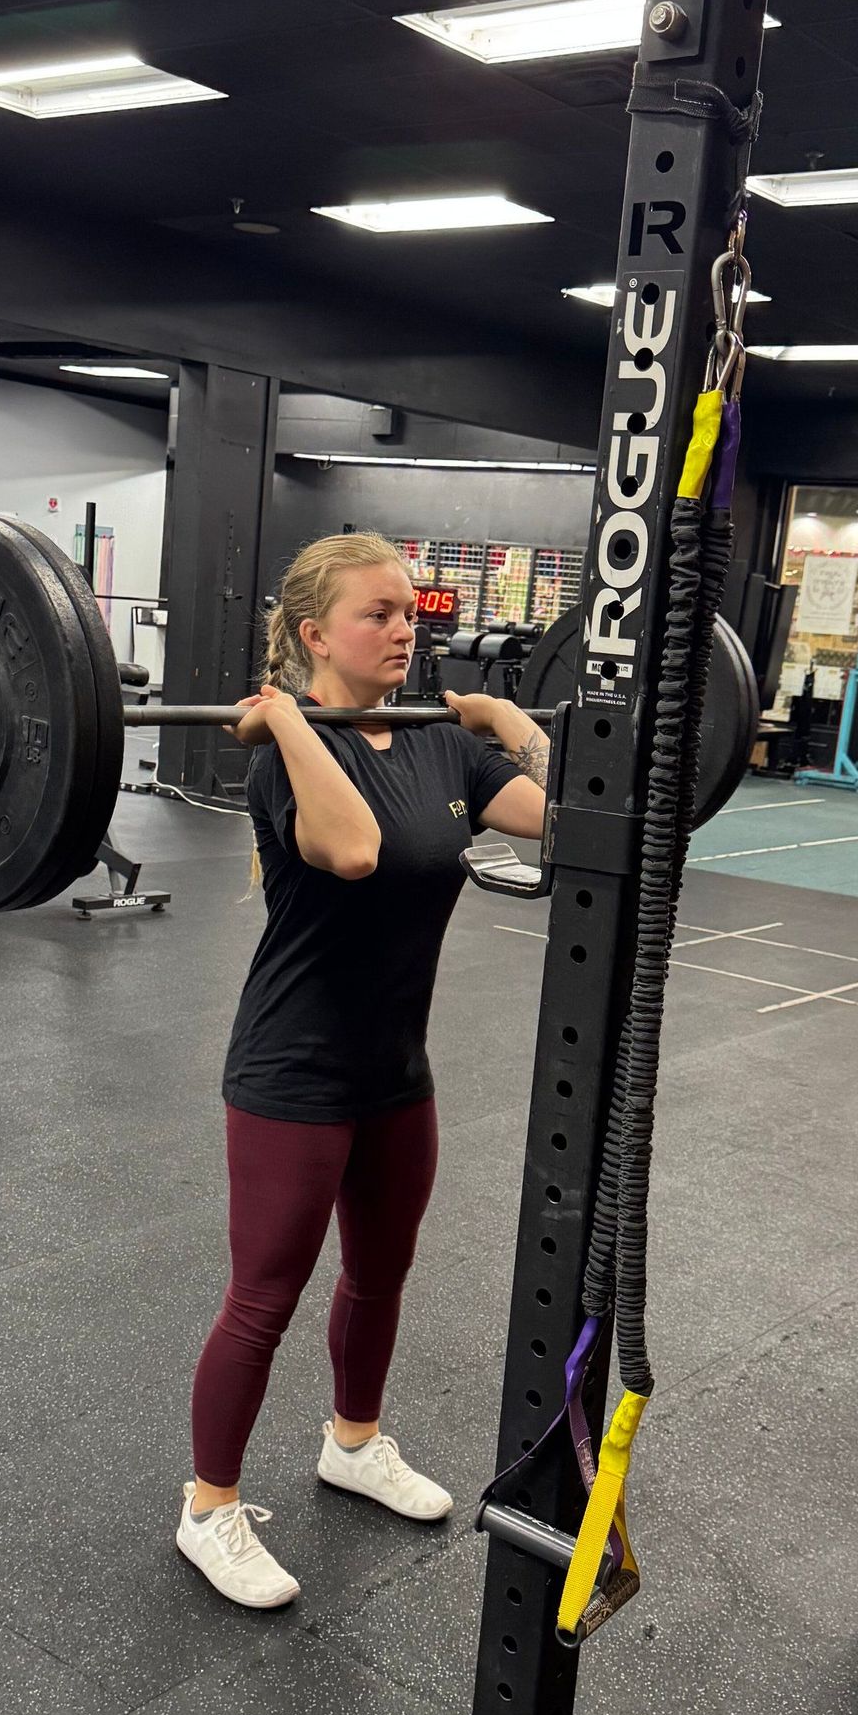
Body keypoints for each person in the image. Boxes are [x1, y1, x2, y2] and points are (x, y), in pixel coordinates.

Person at [176, 534, 549, 1608]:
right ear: (313, 635)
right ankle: (209, 1505)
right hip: (292, 1070)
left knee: (380, 1273)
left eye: (407, 614)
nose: (404, 629)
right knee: (262, 1298)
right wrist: (290, 717)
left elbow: (574, 823)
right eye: (378, 614)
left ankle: (353, 1441)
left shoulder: (445, 743)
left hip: (395, 1069)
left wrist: (504, 721)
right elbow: (350, 850)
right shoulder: (280, 748)